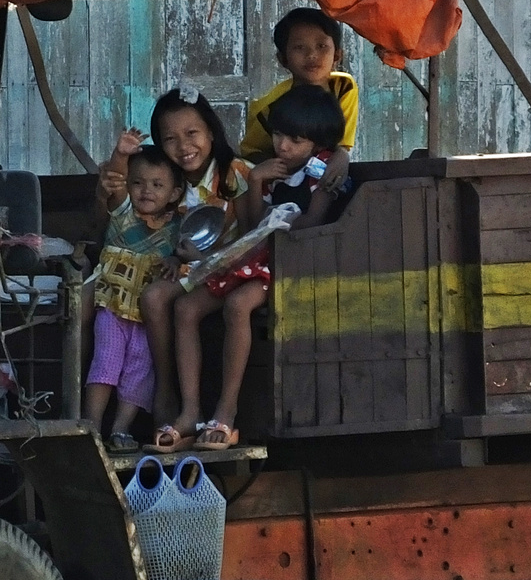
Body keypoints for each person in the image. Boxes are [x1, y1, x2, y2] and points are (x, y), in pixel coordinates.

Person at [169, 85, 347, 451]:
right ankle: (189, 412)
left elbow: (310, 225)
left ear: (317, 141)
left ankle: (227, 411)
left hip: (292, 264)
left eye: (294, 139)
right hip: (256, 259)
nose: (282, 145)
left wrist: (274, 225)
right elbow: (251, 227)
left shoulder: (322, 171)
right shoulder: (275, 168)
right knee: (186, 307)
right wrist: (255, 182)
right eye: (278, 134)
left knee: (238, 306)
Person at [100, 89, 254, 452]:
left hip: (233, 269)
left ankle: (214, 409)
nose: (183, 146)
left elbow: (251, 235)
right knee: (153, 296)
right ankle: (169, 396)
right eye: (169, 138)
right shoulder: (173, 181)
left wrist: (215, 253)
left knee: (183, 306)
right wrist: (174, 257)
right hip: (194, 271)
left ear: (211, 132)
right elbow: (154, 226)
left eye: (192, 133)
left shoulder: (235, 173)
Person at [84, 145, 187, 452]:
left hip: (147, 319)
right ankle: (90, 427)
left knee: (139, 372)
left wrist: (174, 260)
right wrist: (120, 153)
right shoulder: (123, 213)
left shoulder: (177, 226)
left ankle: (120, 430)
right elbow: (114, 180)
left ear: (174, 193)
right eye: (138, 182)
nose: (146, 191)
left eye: (157, 185)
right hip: (112, 308)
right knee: (106, 362)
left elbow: (184, 257)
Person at [239, 7, 357, 193]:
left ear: (337, 55)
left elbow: (341, 144)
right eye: (299, 47)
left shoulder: (344, 88)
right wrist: (282, 168)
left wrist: (342, 155)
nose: (312, 55)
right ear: (282, 59)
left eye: (321, 46)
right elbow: (250, 153)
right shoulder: (267, 108)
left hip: (322, 182)